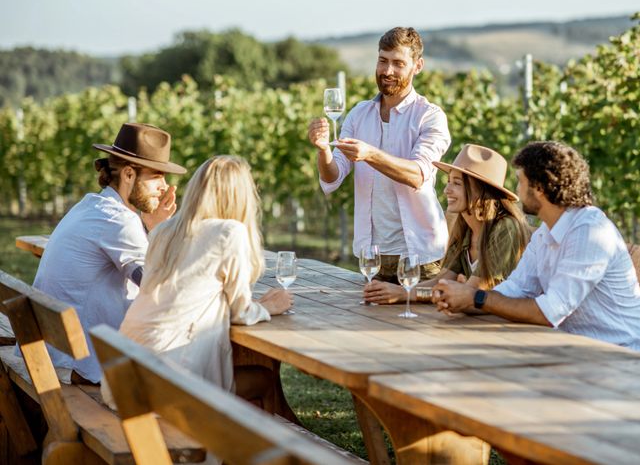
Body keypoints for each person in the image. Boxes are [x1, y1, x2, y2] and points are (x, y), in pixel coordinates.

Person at [435, 141, 640, 356]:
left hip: (625, 355)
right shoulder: (545, 233)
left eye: (520, 181)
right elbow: (515, 289)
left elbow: (550, 312)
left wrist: (477, 298)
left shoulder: (589, 231)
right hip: (576, 352)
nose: (516, 190)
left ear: (539, 188)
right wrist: (466, 298)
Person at [102, 155, 292, 406]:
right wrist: (269, 307)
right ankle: (237, 445)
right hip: (167, 382)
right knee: (263, 380)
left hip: (122, 379)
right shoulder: (229, 232)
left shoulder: (163, 230)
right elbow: (240, 313)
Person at [32, 122, 185, 384]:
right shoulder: (119, 221)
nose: (164, 186)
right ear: (128, 175)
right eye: (157, 176)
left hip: (54, 356)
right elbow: (157, 287)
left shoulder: (92, 205)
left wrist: (150, 228)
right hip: (82, 369)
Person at [307, 27, 451, 283]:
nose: (388, 71)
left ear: (417, 66)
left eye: (398, 63)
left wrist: (370, 154)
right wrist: (323, 150)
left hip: (420, 255)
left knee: (424, 325)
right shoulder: (359, 114)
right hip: (372, 254)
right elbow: (333, 178)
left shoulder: (429, 116)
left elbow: (418, 175)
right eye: (383, 61)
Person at [364, 144, 529, 304]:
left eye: (456, 183)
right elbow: (440, 282)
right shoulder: (465, 228)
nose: (447, 190)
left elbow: (470, 293)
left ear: (480, 191)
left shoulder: (505, 228)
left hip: (507, 328)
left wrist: (405, 294)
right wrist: (404, 292)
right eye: (449, 181)